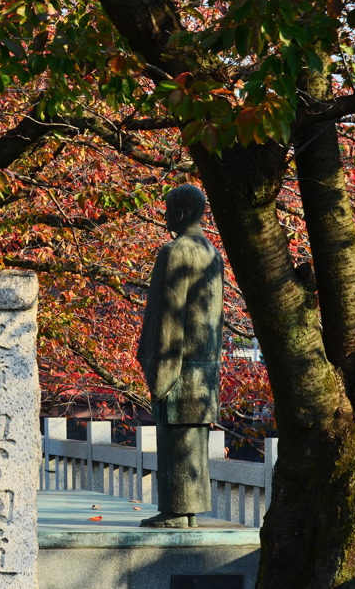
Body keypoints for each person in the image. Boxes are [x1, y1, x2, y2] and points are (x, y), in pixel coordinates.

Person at [137, 184, 224, 528]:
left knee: (175, 439)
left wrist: (159, 368)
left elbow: (167, 317)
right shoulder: (211, 252)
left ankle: (175, 511)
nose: (165, 217)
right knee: (192, 444)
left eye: (169, 210)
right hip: (205, 371)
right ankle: (188, 510)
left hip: (179, 366)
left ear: (183, 213)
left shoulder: (176, 251)